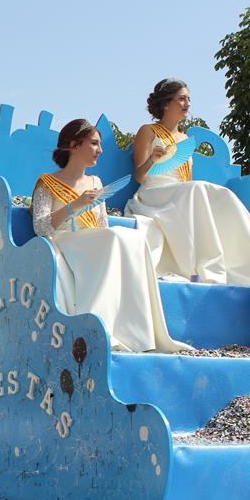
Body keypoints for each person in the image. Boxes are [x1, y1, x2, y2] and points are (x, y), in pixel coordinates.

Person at [32, 119, 190, 353]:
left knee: (133, 239)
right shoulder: (47, 183)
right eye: (94, 144)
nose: (100, 150)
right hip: (65, 243)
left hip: (95, 242)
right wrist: (74, 205)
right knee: (113, 238)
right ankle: (100, 327)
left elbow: (102, 225)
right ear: (74, 145)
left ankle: (138, 334)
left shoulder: (96, 182)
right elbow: (41, 227)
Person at [126, 78, 250, 285]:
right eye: (182, 99)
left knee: (220, 194)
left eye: (188, 99)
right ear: (166, 103)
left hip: (182, 192)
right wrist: (152, 160)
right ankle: (209, 269)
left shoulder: (184, 138)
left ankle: (249, 262)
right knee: (197, 189)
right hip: (153, 193)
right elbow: (139, 176)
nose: (187, 104)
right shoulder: (148, 131)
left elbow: (187, 179)